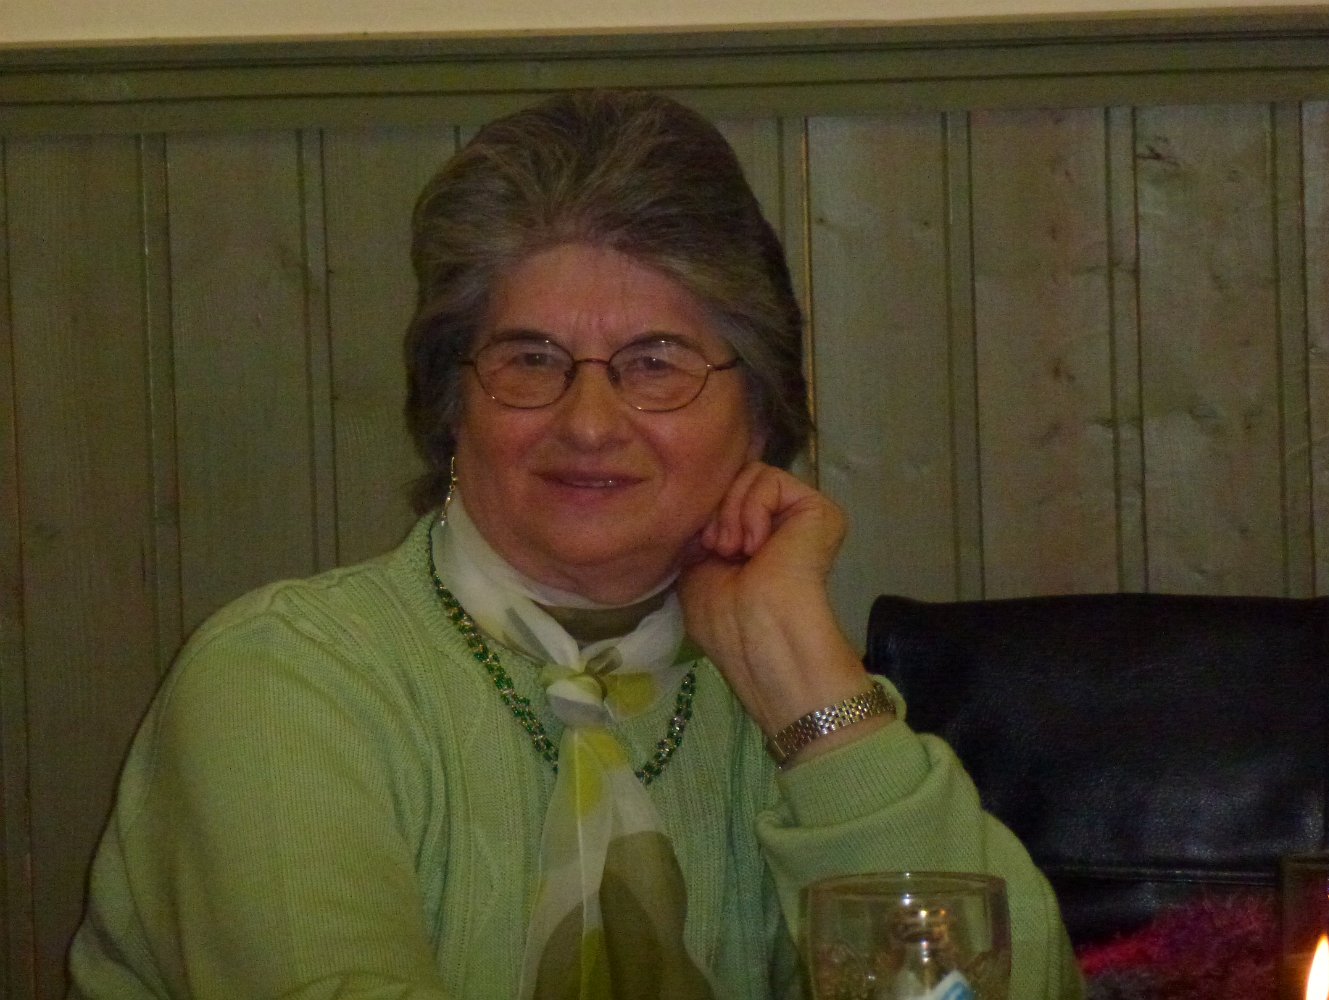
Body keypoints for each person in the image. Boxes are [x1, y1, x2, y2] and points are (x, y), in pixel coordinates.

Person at [66, 90, 1083, 999]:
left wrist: (800, 679)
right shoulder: (284, 679)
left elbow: (1003, 987)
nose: (589, 423)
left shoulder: (768, 692)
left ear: (759, 415)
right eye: (529, 360)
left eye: (655, 363)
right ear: (452, 408)